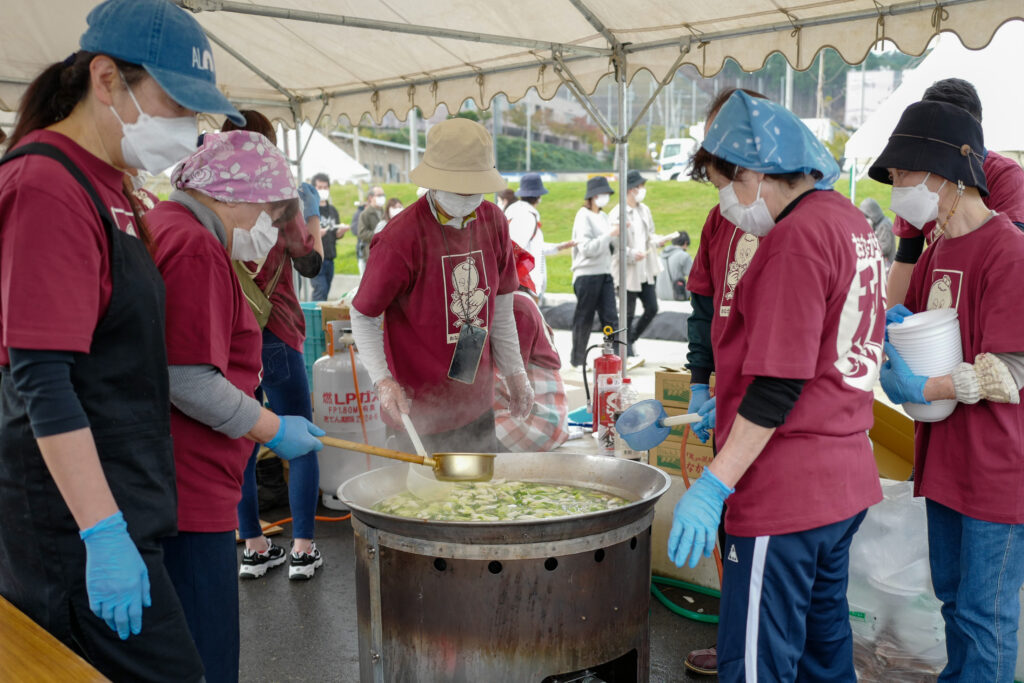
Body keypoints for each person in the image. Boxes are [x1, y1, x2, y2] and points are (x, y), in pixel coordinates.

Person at [0, 0, 243, 679]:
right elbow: (42, 378)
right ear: (106, 80)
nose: (187, 130)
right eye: (174, 105)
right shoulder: (47, 183)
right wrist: (100, 531)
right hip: (72, 519)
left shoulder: (115, 186)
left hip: (124, 497)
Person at [669, 91, 884, 682]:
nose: (728, 204)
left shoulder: (794, 238)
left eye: (726, 185)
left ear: (756, 173)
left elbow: (778, 386)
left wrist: (715, 483)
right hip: (843, 478)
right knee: (822, 653)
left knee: (759, 665)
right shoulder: (849, 219)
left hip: (785, 491)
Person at [147, 131, 326, 682]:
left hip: (173, 471)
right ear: (228, 193)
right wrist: (272, 426)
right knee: (207, 652)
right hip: (190, 477)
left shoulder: (166, 226)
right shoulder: (196, 245)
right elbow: (186, 375)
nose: (261, 220)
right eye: (262, 205)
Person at [871, 100, 1024, 683]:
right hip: (944, 459)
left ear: (947, 175)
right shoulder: (936, 250)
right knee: (954, 603)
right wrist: (896, 343)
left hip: (996, 468)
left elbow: (1010, 367)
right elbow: (924, 328)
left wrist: (927, 384)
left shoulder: (1008, 249)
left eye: (906, 176)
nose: (899, 190)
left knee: (986, 616)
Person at [349, 117, 533, 453]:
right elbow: (363, 315)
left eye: (473, 187)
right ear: (435, 181)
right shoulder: (399, 238)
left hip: (477, 402)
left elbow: (502, 307)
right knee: (422, 502)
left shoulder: (493, 220)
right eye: (457, 187)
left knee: (487, 499)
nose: (466, 196)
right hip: (417, 413)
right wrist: (383, 381)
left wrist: (515, 372)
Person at [679, 87, 767, 676]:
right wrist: (699, 384)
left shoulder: (791, 220)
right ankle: (734, 637)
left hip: (770, 409)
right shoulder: (719, 220)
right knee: (731, 537)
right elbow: (704, 305)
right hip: (727, 399)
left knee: (763, 543)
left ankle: (750, 649)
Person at [219, 114, 328, 583]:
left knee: (242, 435)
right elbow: (309, 262)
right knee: (299, 437)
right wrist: (317, 228)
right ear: (270, 143)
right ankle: (302, 548)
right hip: (278, 331)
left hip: (229, 334)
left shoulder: (215, 191)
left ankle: (254, 546)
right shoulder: (283, 192)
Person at [886, 78, 1024, 306]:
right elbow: (907, 257)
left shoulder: (1005, 176)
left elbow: (1009, 262)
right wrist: (894, 323)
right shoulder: (917, 181)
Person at [493, 246, 570, 452]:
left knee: (467, 443)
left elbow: (504, 377)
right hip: (519, 409)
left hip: (538, 419)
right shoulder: (509, 302)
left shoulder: (516, 308)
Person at [608, 169, 674, 356]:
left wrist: (659, 240)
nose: (643, 190)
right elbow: (614, 244)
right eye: (640, 186)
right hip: (627, 269)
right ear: (631, 189)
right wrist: (630, 254)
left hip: (644, 268)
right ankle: (622, 349)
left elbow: (649, 234)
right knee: (627, 313)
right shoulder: (617, 213)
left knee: (652, 307)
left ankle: (630, 340)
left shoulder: (644, 210)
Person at [569, 176, 620, 367]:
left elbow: (609, 246)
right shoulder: (583, 216)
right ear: (592, 196)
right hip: (587, 274)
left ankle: (614, 358)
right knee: (585, 317)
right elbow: (587, 249)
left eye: (607, 194)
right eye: (602, 194)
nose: (605, 197)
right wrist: (609, 235)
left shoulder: (604, 217)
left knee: (610, 317)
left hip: (605, 273)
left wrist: (615, 236)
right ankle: (578, 361)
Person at [505, 173, 573, 299]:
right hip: (525, 285)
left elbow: (533, 247)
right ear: (539, 196)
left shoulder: (516, 212)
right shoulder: (526, 216)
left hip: (522, 284)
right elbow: (516, 248)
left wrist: (558, 247)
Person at [311, 172, 349, 300]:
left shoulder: (333, 210)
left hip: (330, 257)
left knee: (326, 290)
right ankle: (315, 317)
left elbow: (335, 234)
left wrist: (341, 232)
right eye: (319, 187)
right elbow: (303, 234)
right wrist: (316, 234)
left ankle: (321, 316)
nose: (323, 190)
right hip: (315, 258)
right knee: (320, 289)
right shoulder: (309, 209)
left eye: (325, 187)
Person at [655, 230, 692, 302]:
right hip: (678, 295)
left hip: (660, 294)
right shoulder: (684, 255)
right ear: (685, 243)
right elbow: (695, 277)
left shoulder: (661, 254)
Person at [859, 197, 895, 270]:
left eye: (866, 216)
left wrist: (869, 251)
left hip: (887, 265)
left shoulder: (884, 225)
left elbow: (885, 247)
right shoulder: (877, 224)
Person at [356, 185, 385, 272]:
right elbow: (362, 233)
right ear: (371, 197)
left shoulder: (385, 212)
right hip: (372, 253)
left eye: (383, 195)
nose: (382, 197)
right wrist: (379, 235)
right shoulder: (365, 214)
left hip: (386, 253)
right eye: (379, 195)